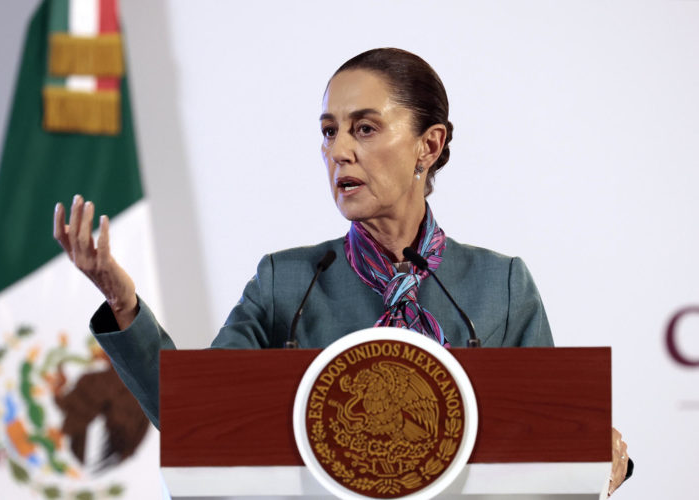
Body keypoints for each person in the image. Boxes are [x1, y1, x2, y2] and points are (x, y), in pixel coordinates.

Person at [53, 48, 630, 495]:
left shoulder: (500, 285)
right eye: (329, 131)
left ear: (428, 146)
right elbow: (193, 420)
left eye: (365, 128)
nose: (339, 151)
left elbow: (545, 453)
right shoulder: (287, 283)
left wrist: (597, 455)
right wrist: (125, 305)